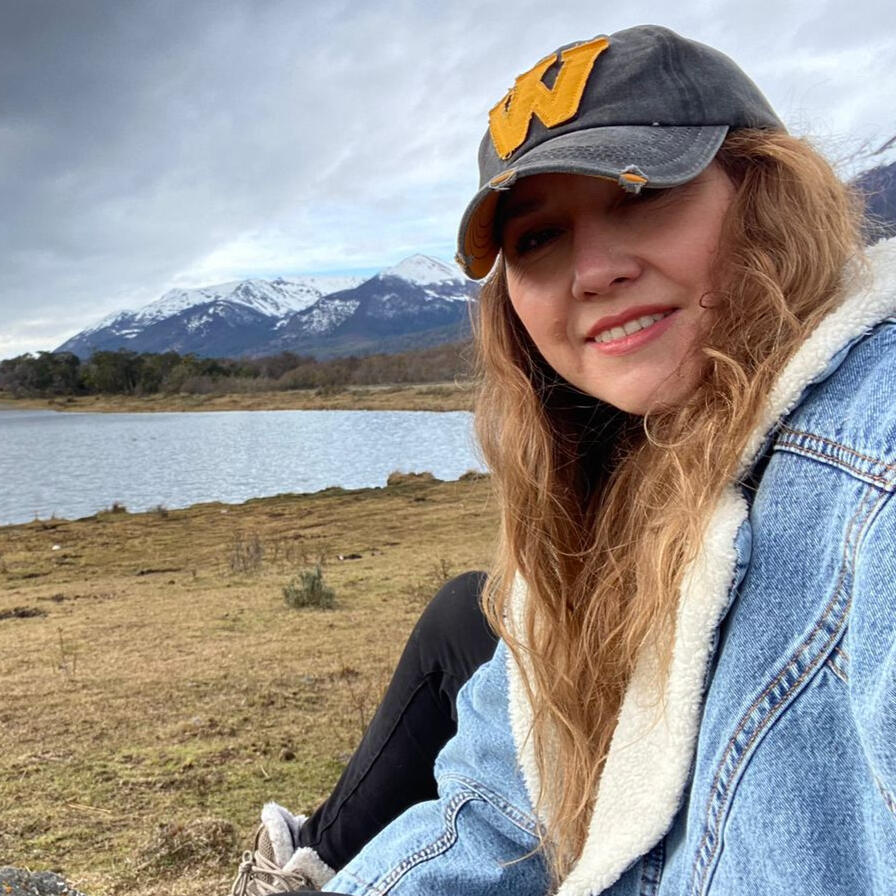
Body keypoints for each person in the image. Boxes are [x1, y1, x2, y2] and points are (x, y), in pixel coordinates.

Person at [232, 23, 896, 895]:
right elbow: (498, 810)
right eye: (539, 238)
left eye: (641, 194)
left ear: (766, 193)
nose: (592, 271)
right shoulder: (614, 475)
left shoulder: (872, 456)